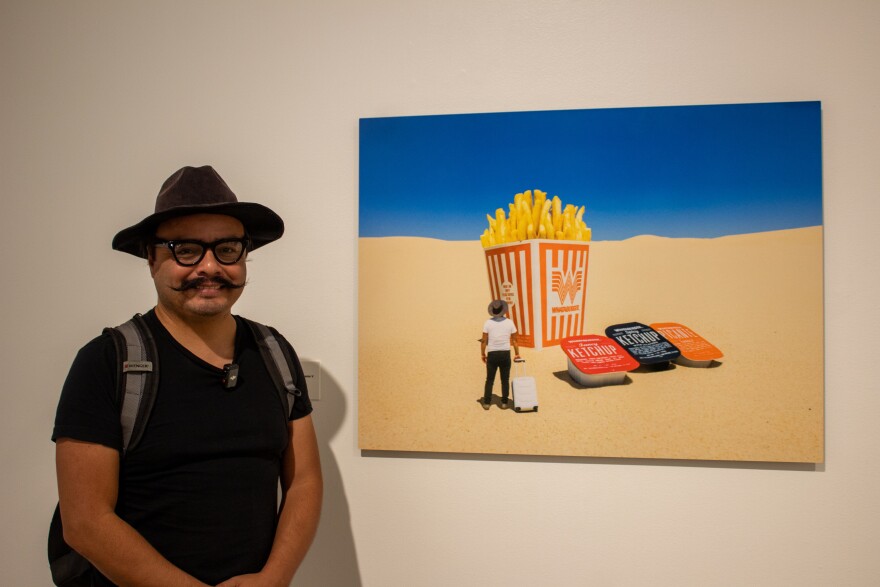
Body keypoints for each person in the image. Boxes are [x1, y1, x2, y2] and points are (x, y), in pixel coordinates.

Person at [52, 166, 323, 587]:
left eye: (227, 249)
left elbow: (304, 480)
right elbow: (86, 522)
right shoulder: (107, 362)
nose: (209, 267)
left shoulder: (274, 353)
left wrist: (273, 578)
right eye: (186, 249)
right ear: (151, 257)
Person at [480, 299, 521, 410]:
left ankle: (487, 402)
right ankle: (504, 402)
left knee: (489, 379)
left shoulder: (488, 323)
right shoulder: (509, 322)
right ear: (503, 311)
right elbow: (515, 340)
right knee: (505, 379)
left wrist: (483, 354)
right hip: (505, 353)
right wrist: (517, 354)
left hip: (492, 353)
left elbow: (484, 341)